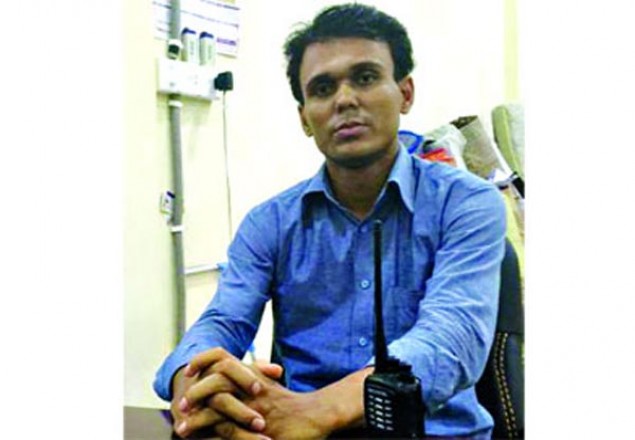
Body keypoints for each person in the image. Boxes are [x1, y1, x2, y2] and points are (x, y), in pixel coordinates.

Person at [154, 3, 506, 439]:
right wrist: (191, 383)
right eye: (322, 88)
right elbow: (223, 320)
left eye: (365, 77)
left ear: (405, 93)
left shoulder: (467, 203)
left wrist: (316, 411)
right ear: (305, 118)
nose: (344, 100)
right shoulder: (269, 223)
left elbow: (452, 338)